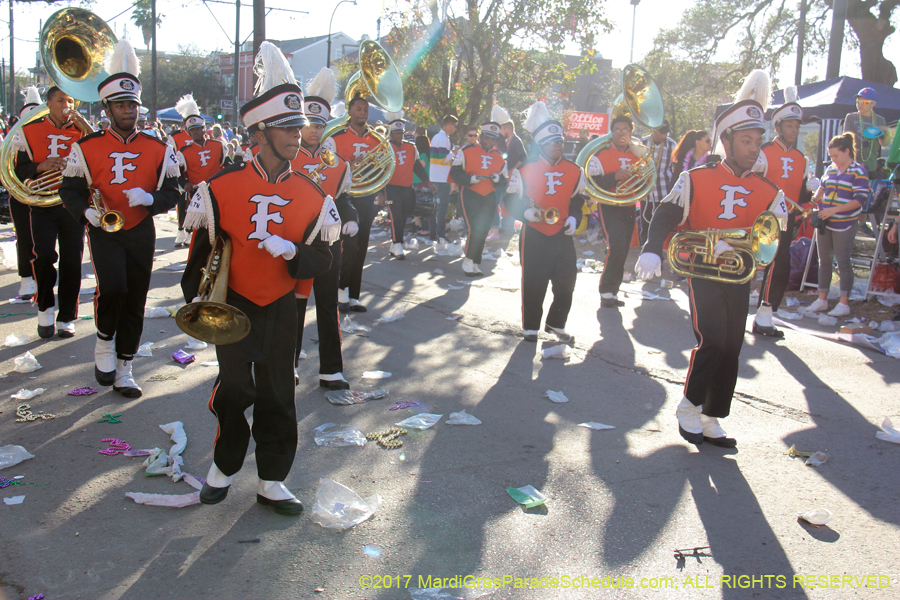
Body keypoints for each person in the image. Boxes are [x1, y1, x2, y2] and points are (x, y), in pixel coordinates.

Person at [181, 41, 338, 515]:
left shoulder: (312, 195)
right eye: (288, 127)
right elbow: (198, 260)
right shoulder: (219, 188)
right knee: (234, 391)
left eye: (300, 126)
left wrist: (296, 254)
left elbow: (323, 261)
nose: (299, 134)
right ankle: (223, 467)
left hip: (282, 307)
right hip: (233, 305)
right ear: (259, 132)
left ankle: (272, 478)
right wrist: (199, 305)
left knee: (277, 391)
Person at [635, 71, 787, 447]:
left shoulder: (768, 190)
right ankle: (689, 405)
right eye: (746, 140)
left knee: (733, 345)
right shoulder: (696, 177)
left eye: (757, 141)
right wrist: (653, 247)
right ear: (728, 141)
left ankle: (712, 416)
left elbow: (770, 236)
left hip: (738, 275)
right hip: (702, 272)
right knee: (714, 340)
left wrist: (759, 250)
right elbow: (667, 214)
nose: (754, 147)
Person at [59, 39, 181, 398]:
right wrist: (86, 213)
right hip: (104, 228)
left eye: (134, 105)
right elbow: (69, 190)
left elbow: (175, 193)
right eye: (122, 105)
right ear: (108, 108)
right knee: (113, 288)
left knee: (136, 297)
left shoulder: (159, 148)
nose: (130, 111)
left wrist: (152, 199)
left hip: (140, 228)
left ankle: (126, 366)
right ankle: (102, 343)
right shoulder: (87, 147)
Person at [290, 66, 359, 391]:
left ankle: (332, 369)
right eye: (308, 125)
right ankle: (286, 363)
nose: (314, 132)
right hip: (296, 243)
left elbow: (343, 199)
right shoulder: (286, 160)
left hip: (328, 244)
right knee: (294, 305)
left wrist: (350, 217)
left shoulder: (338, 163)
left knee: (328, 305)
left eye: (319, 125)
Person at [12, 85, 87, 339]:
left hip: (72, 204)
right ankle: (45, 307)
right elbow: (18, 169)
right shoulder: (29, 130)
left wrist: (87, 127)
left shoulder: (82, 131)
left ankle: (66, 316)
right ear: (48, 103)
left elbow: (98, 161)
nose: (67, 106)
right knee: (43, 256)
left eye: (70, 101)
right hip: (42, 204)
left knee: (72, 261)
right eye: (61, 100)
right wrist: (41, 166)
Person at [508, 101, 585, 343]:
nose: (559, 146)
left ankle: (555, 323)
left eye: (561, 142)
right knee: (534, 281)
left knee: (566, 283)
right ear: (541, 145)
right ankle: (531, 327)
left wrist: (574, 217)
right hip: (535, 233)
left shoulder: (575, 170)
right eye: (553, 143)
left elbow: (578, 200)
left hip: (562, 234)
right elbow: (509, 201)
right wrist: (526, 214)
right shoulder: (524, 170)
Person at [751, 96, 816, 336]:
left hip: (785, 222)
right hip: (760, 218)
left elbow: (799, 194)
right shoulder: (764, 152)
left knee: (780, 267)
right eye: (789, 125)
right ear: (777, 127)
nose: (794, 130)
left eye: (797, 126)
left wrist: (811, 192)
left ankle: (765, 314)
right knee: (748, 263)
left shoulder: (801, 158)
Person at [805, 133, 870, 317]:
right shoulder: (831, 170)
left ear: (847, 151)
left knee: (843, 261)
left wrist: (834, 210)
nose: (833, 160)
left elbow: (860, 201)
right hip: (825, 221)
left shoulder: (858, 171)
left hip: (845, 222)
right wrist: (815, 196)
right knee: (823, 261)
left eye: (836, 156)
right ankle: (822, 299)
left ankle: (843, 303)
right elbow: (823, 189)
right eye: (831, 156)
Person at [330, 96, 384, 312]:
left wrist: (380, 191)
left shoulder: (377, 140)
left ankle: (354, 295)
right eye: (358, 109)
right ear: (350, 111)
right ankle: (340, 288)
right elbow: (329, 168)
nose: (363, 112)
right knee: (348, 244)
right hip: (344, 196)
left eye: (365, 109)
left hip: (366, 196)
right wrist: (350, 165)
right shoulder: (336, 138)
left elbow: (382, 169)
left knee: (361, 246)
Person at [587, 114, 644, 308]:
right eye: (617, 130)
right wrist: (615, 177)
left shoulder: (638, 155)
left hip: (628, 206)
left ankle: (612, 291)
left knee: (623, 248)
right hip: (609, 205)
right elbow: (592, 183)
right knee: (617, 244)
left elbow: (645, 180)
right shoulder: (601, 155)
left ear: (630, 133)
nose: (621, 133)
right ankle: (606, 291)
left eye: (625, 130)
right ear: (611, 133)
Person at [449, 121, 508, 276]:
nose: (490, 141)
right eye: (487, 137)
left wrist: (497, 179)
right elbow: (454, 173)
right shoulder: (466, 151)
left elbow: (504, 181)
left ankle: (475, 262)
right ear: (481, 137)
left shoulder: (499, 157)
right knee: (474, 228)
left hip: (489, 195)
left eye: (493, 138)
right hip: (470, 193)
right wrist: (470, 179)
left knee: (483, 229)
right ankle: (468, 260)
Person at [175, 99, 228, 248]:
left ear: (205, 129)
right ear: (189, 132)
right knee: (201, 228)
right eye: (193, 130)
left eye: (198, 129)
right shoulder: (183, 152)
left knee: (220, 223)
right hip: (197, 193)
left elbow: (227, 164)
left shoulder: (218, 146)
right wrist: (185, 184)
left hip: (218, 191)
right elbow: (177, 174)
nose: (196, 132)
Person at [383, 114, 436, 259]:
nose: (399, 136)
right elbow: (380, 171)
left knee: (404, 215)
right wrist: (380, 193)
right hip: (391, 187)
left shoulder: (411, 147)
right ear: (391, 133)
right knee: (395, 217)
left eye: (401, 133)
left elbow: (417, 166)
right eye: (396, 133)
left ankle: (394, 245)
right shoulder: (385, 148)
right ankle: (398, 244)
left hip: (407, 187)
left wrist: (428, 182)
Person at [8, 87, 42, 301]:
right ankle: (26, 279)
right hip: (21, 194)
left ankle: (42, 277)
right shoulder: (13, 138)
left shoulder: (48, 135)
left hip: (46, 194)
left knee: (44, 240)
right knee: (24, 237)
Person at [640, 119, 677, 245]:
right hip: (645, 191)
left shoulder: (672, 145)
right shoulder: (642, 143)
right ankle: (644, 251)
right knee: (645, 222)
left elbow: (676, 167)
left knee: (660, 222)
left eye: (666, 132)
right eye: (662, 132)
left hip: (663, 190)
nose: (664, 135)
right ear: (654, 129)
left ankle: (657, 249)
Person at [492, 104, 526, 238]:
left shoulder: (516, 141)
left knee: (509, 202)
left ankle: (508, 226)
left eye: (501, 130)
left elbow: (524, 158)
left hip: (514, 177)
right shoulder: (509, 141)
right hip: (508, 176)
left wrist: (512, 170)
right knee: (504, 202)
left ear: (507, 128)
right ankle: (505, 226)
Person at [843, 87, 892, 177]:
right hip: (852, 166)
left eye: (865, 102)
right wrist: (853, 163)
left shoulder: (880, 120)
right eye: (858, 101)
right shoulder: (851, 117)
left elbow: (884, 143)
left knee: (868, 190)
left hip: (871, 166)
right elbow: (846, 141)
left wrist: (886, 132)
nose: (860, 105)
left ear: (873, 104)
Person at [429, 114, 459, 243]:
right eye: (455, 126)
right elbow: (442, 159)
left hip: (436, 177)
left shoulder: (438, 137)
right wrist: (454, 153)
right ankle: (441, 235)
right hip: (441, 178)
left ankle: (433, 235)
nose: (455, 129)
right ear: (449, 125)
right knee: (442, 209)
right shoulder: (443, 138)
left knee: (435, 208)